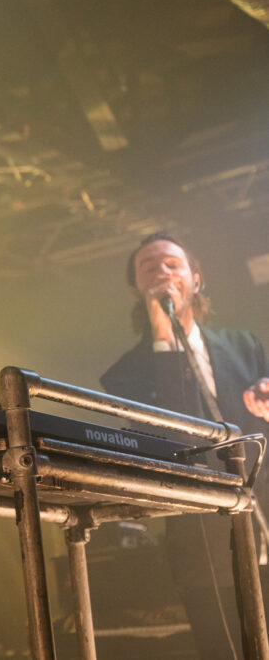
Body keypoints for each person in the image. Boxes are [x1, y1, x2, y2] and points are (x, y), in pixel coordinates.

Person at [101, 231, 269, 659]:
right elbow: (174, 438)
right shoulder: (124, 376)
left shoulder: (245, 346)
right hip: (204, 542)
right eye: (149, 267)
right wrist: (164, 339)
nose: (162, 271)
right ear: (137, 289)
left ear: (196, 279)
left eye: (172, 264)